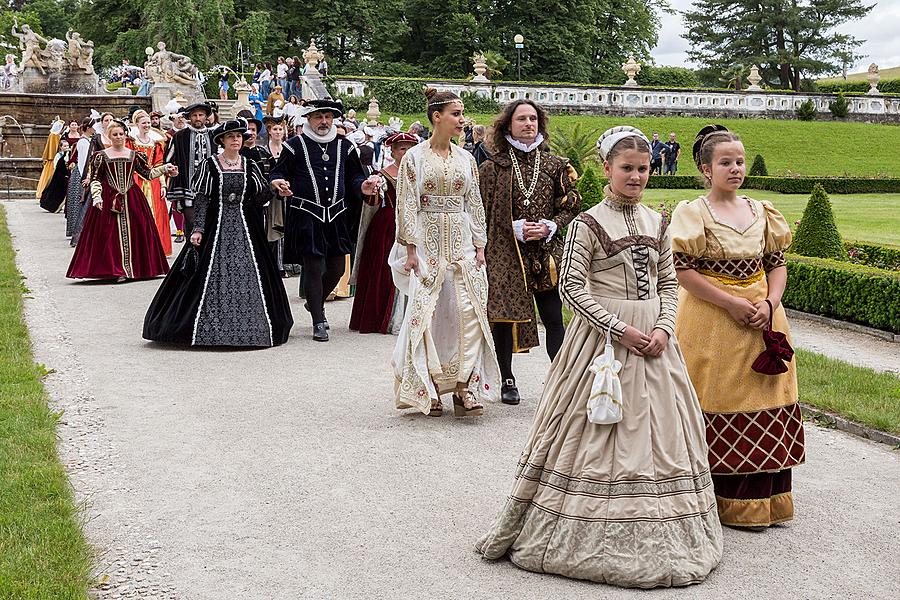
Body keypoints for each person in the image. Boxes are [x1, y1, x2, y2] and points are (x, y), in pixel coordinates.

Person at [476, 125, 723, 587]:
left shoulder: (658, 221)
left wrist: (665, 327)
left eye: (643, 169)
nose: (636, 176)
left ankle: (667, 528)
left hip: (656, 343)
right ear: (606, 169)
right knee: (598, 430)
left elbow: (669, 283)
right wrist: (622, 330)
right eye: (627, 168)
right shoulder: (587, 223)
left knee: (661, 431)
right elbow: (572, 287)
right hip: (604, 342)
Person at [670, 125, 804, 529]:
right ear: (705, 169)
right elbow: (684, 272)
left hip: (764, 321)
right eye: (725, 162)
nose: (735, 168)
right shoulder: (692, 213)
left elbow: (776, 265)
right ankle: (720, 500)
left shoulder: (762, 211)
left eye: (740, 161)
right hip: (712, 321)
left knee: (768, 393)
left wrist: (768, 302)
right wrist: (731, 303)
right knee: (718, 395)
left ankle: (770, 500)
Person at [389, 88, 499, 417]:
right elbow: (406, 204)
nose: (462, 120)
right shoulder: (415, 158)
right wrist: (410, 249)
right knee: (430, 315)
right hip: (428, 243)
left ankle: (465, 385)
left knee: (467, 311)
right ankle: (431, 385)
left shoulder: (466, 159)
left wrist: (480, 246)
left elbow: (474, 203)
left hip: (462, 244)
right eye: (456, 114)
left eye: (462, 113)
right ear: (437, 117)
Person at [143, 119, 293, 347]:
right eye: (231, 136)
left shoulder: (250, 165)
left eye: (239, 136)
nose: (235, 139)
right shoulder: (210, 164)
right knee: (204, 276)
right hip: (216, 226)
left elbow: (257, 199)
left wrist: (274, 189)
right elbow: (202, 199)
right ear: (221, 141)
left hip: (247, 228)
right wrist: (198, 228)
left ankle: (253, 326)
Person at [479, 99, 582, 405]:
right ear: (508, 125)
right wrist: (512, 227)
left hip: (546, 252)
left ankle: (563, 379)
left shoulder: (555, 165)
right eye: (521, 119)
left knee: (553, 316)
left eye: (533, 119)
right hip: (505, 253)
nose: (528, 124)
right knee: (503, 317)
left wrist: (551, 224)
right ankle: (507, 379)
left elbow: (572, 204)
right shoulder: (491, 167)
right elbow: (480, 212)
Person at [269, 99, 381, 341]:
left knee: (337, 268)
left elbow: (353, 177)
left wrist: (362, 185)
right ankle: (318, 320)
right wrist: (278, 184)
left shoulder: (345, 146)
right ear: (309, 119)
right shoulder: (294, 145)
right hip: (307, 215)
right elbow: (278, 173)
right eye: (319, 116)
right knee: (312, 265)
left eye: (328, 117)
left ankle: (315, 301)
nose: (324, 121)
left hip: (337, 215)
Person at [66, 119, 176, 281]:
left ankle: (135, 269)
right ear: (109, 137)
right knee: (108, 235)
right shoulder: (101, 156)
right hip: (108, 199)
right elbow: (96, 179)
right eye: (115, 134)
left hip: (132, 197)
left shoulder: (133, 155)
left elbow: (148, 174)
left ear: (125, 136)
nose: (118, 137)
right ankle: (115, 270)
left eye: (121, 134)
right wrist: (96, 197)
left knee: (138, 232)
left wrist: (166, 168)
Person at [349, 132, 417, 334]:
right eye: (402, 148)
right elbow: (373, 202)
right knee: (384, 269)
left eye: (409, 148)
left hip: (414, 223)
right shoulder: (383, 175)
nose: (406, 152)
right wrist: (374, 191)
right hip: (388, 225)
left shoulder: (420, 172)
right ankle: (384, 317)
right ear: (393, 151)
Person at [165, 102, 214, 236]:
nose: (198, 118)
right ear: (189, 117)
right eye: (194, 115)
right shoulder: (179, 136)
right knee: (191, 223)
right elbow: (168, 159)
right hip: (187, 186)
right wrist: (172, 170)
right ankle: (191, 254)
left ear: (206, 117)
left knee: (210, 224)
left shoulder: (214, 136)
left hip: (210, 188)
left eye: (201, 115)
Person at [128, 110, 172, 256]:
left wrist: (163, 184)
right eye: (144, 123)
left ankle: (155, 248)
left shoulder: (155, 143)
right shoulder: (131, 142)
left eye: (148, 122)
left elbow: (158, 164)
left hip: (152, 181)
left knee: (157, 214)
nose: (147, 125)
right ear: (137, 124)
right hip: (135, 179)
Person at [66, 118, 94, 239]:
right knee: (79, 203)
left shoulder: (87, 140)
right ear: (88, 128)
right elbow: (83, 161)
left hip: (82, 174)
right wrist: (86, 177)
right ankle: (77, 231)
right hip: (81, 175)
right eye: (93, 126)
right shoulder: (83, 142)